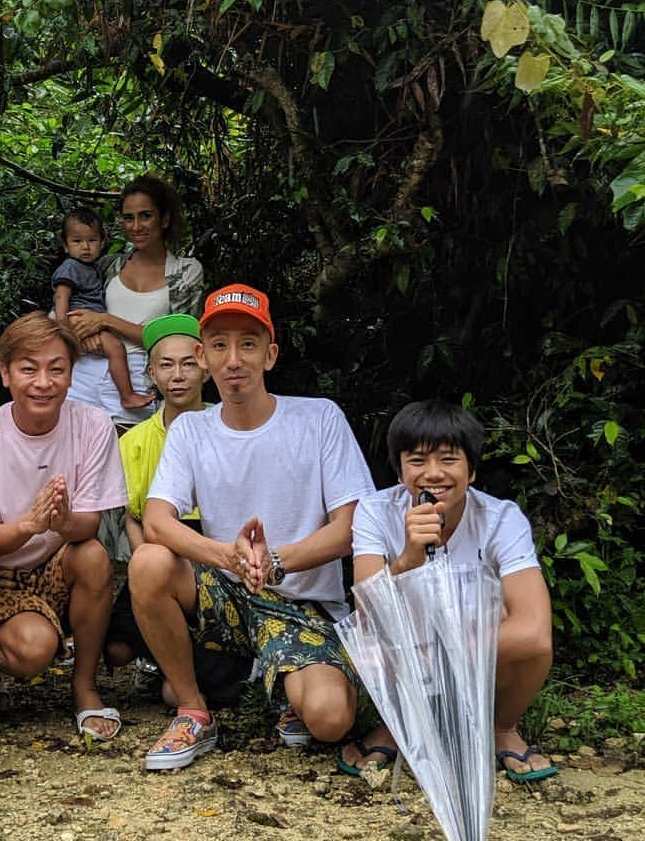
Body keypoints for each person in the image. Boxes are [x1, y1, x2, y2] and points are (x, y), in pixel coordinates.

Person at [128, 284, 375, 770]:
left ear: (270, 354)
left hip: (303, 603)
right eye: (219, 345)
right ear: (203, 357)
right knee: (149, 561)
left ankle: (287, 687)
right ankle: (193, 709)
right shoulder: (192, 429)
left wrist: (277, 561)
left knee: (329, 719)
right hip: (230, 591)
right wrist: (228, 557)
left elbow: (352, 526)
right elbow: (157, 520)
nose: (233, 358)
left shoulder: (319, 418)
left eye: (248, 343)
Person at [338, 400, 556, 782]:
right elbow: (366, 612)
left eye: (449, 459)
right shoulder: (375, 511)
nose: (433, 474)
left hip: (474, 651)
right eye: (418, 460)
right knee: (366, 641)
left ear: (471, 471)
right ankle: (399, 727)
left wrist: (445, 651)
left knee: (533, 649)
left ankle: (501, 727)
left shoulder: (501, 518)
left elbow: (534, 631)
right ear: (400, 468)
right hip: (406, 650)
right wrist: (407, 558)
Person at [0, 311, 127, 740]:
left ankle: (84, 685)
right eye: (28, 369)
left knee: (94, 556)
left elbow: (89, 527)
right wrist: (31, 523)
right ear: (6, 374)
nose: (43, 382)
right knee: (33, 651)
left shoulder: (94, 424)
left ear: (71, 373)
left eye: (57, 369)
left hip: (56, 564)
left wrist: (62, 522)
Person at [104, 313, 253, 707]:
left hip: (218, 554)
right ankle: (164, 658)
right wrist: (146, 568)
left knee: (175, 693)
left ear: (205, 366)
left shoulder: (233, 427)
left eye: (189, 363)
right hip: (161, 552)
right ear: (151, 372)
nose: (179, 375)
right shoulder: (132, 442)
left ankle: (194, 673)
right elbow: (136, 516)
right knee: (116, 648)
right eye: (166, 365)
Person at [66, 174, 203, 425]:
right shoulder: (108, 265)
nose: (136, 226)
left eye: (145, 215)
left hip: (140, 386)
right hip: (86, 377)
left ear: (164, 219)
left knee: (129, 458)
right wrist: (87, 333)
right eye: (128, 218)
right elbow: (73, 313)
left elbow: (179, 340)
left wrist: (106, 321)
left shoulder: (185, 271)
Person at [52, 207, 154, 412]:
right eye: (77, 241)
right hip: (77, 320)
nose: (85, 247)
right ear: (65, 245)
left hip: (90, 322)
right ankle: (127, 395)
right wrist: (64, 327)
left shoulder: (96, 267)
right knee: (116, 348)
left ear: (102, 242)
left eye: (92, 240)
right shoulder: (71, 266)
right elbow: (61, 295)